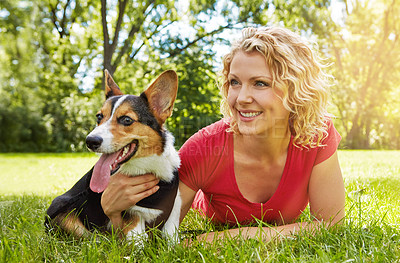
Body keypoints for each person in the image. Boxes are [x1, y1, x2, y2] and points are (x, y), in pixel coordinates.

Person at [100, 26, 345, 243]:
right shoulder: (203, 148)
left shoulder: (317, 134)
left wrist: (221, 238)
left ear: (296, 90)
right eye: (235, 82)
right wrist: (112, 212)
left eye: (260, 83)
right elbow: (155, 236)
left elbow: (331, 225)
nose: (241, 98)